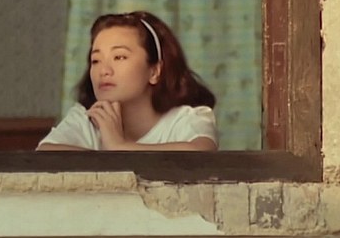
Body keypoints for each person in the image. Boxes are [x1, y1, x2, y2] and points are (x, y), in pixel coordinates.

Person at [37, 11, 218, 151]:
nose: (104, 71)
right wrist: (112, 154)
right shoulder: (87, 119)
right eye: (96, 60)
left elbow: (201, 152)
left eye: (119, 57)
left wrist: (119, 146)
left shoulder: (186, 119)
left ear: (154, 71)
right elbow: (45, 153)